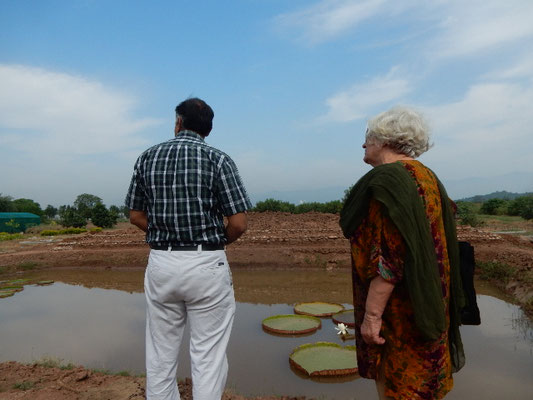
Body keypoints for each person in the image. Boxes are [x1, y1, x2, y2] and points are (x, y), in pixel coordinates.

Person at [125, 97, 252, 400]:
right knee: (208, 355)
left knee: (160, 353)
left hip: (162, 262)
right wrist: (219, 241)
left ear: (178, 122)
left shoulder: (148, 157)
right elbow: (238, 224)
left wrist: (161, 231)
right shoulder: (219, 160)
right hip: (206, 262)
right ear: (208, 129)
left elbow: (135, 215)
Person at [339, 107, 465, 400]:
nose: (363, 144)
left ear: (384, 140)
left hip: (402, 317)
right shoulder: (427, 178)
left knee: (400, 390)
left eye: (368, 137)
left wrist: (371, 317)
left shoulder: (389, 183)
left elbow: (389, 260)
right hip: (432, 307)